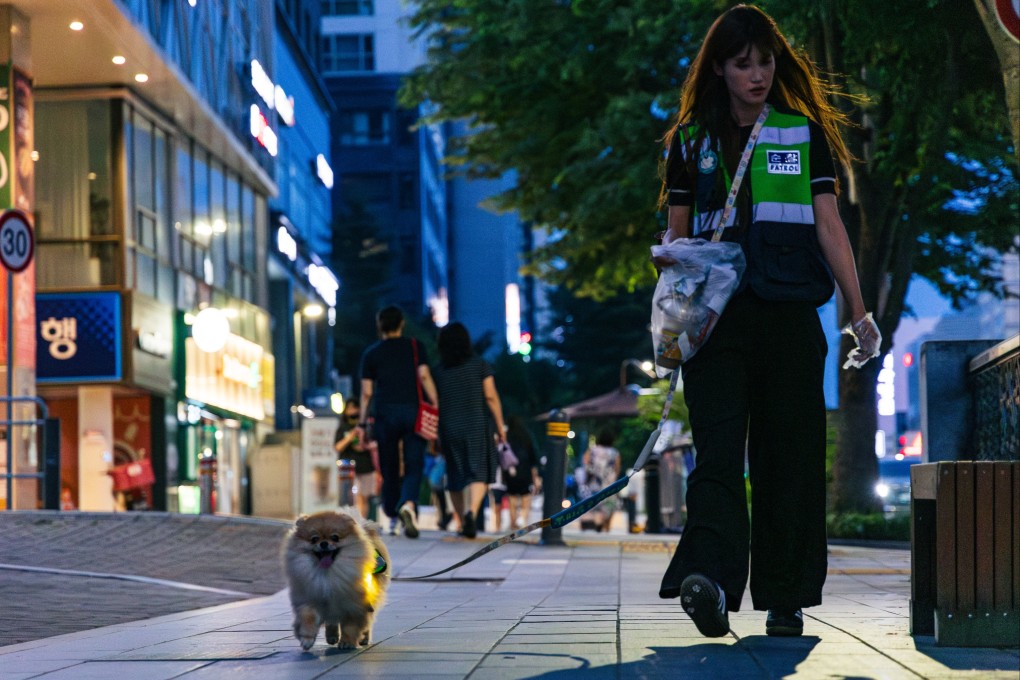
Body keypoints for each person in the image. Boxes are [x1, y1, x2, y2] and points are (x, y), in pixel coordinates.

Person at [652, 5, 880, 639]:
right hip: (715, 329)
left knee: (792, 457)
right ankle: (714, 584)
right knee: (718, 458)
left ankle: (786, 596)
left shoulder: (804, 134)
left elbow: (831, 227)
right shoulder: (689, 142)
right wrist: (672, 318)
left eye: (766, 62)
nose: (757, 75)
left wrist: (858, 313)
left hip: (788, 322)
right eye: (743, 64)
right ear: (719, 69)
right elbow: (676, 242)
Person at [357, 305, 439, 539]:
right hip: (413, 412)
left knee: (389, 464)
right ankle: (408, 504)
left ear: (379, 326)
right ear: (401, 324)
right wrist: (435, 404)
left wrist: (362, 424)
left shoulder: (371, 353)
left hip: (385, 414)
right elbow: (424, 376)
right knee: (415, 462)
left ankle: (392, 511)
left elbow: (366, 393)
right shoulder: (415, 347)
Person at [431, 322, 506, 538]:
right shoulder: (480, 365)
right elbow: (491, 396)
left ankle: (462, 519)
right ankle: (473, 512)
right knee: (479, 471)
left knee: (454, 474)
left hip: (449, 426)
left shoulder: (439, 371)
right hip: (476, 425)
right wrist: (500, 426)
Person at [334, 400, 377, 520]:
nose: (353, 411)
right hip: (347, 467)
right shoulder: (343, 428)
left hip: (366, 466)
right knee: (347, 497)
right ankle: (349, 523)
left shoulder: (368, 426)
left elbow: (374, 443)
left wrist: (365, 444)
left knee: (363, 497)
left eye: (355, 408)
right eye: (350, 408)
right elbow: (337, 447)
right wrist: (351, 436)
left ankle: (360, 524)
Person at [503, 416, 542, 530]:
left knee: (512, 497)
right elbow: (533, 458)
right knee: (526, 496)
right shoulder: (527, 437)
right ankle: (523, 519)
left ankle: (513, 522)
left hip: (510, 471)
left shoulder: (507, 437)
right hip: (525, 471)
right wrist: (535, 477)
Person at [579, 429, 621, 532]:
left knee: (593, 503)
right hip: (608, 483)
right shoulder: (615, 453)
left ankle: (595, 521)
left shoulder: (592, 450)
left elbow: (585, 462)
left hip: (594, 481)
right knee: (609, 504)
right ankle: (605, 526)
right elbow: (617, 468)